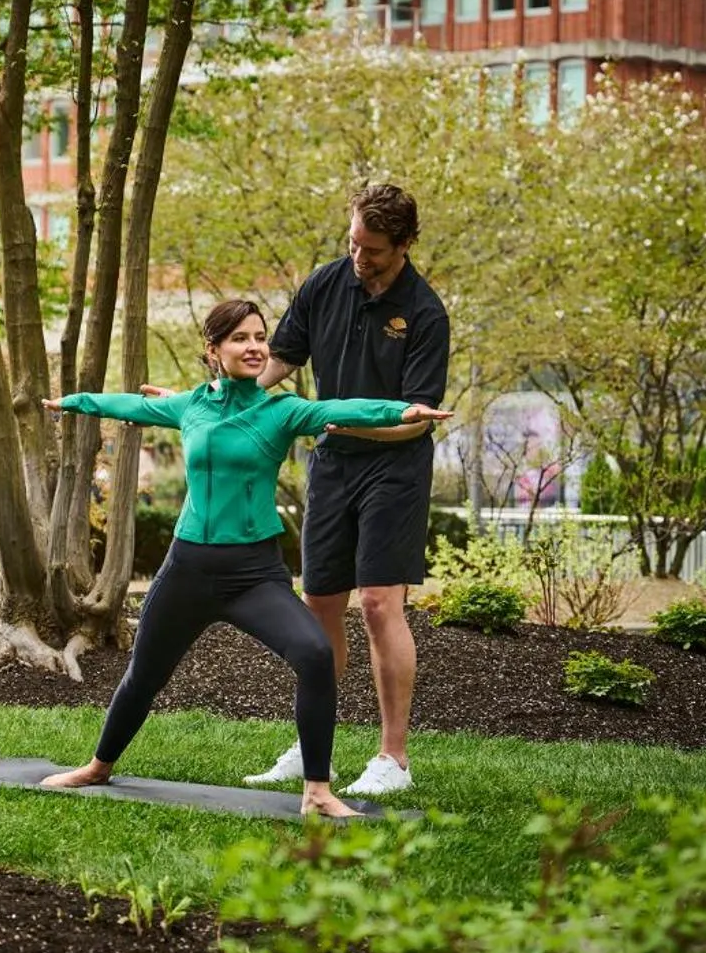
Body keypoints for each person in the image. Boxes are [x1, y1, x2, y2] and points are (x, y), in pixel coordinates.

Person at [40, 298, 453, 819]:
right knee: (144, 673)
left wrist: (403, 411)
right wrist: (74, 402)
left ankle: (318, 790)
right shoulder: (191, 405)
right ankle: (98, 765)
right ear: (213, 351)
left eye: (260, 337)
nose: (255, 346)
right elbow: (131, 407)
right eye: (240, 338)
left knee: (314, 654)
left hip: (253, 573)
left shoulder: (280, 411)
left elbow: (339, 409)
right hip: (187, 568)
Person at [244, 183, 450, 798]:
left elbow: (414, 418)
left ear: (405, 245)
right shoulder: (325, 284)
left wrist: (333, 421)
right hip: (332, 464)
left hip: (394, 469)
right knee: (320, 604)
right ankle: (315, 746)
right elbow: (279, 359)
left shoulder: (425, 313)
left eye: (375, 251)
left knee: (381, 605)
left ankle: (394, 758)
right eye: (354, 243)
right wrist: (228, 398)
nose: (360, 258)